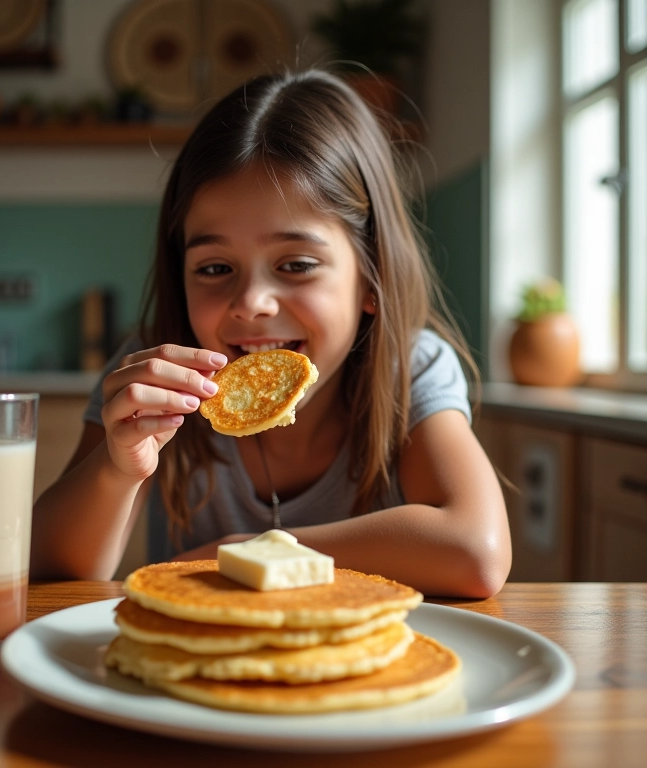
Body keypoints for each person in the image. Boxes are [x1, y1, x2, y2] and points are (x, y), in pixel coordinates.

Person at [30, 69, 511, 597]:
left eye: (297, 264)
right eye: (214, 268)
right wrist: (118, 469)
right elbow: (55, 574)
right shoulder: (153, 379)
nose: (252, 303)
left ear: (371, 277)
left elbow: (476, 552)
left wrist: (240, 551)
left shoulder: (409, 367)